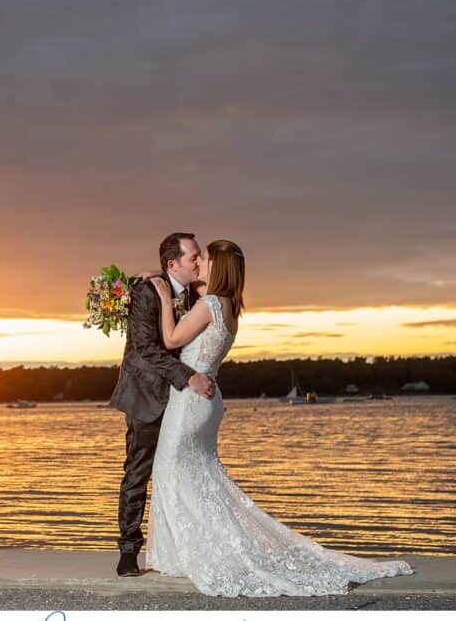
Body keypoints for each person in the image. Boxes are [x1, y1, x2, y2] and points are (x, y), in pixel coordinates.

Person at [143, 239, 414, 596]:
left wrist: (163, 299)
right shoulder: (228, 306)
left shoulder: (210, 304)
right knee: (201, 479)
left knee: (172, 471)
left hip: (191, 401)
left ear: (219, 266)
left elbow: (172, 337)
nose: (200, 263)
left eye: (205, 258)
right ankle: (190, 551)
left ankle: (189, 554)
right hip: (207, 400)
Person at [108, 232, 217, 577]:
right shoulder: (146, 292)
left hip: (182, 401)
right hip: (146, 395)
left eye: (200, 256)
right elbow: (145, 349)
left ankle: (183, 546)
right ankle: (128, 551)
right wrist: (190, 377)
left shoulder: (194, 294)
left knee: (181, 470)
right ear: (172, 264)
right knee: (138, 472)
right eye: (193, 257)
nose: (199, 262)